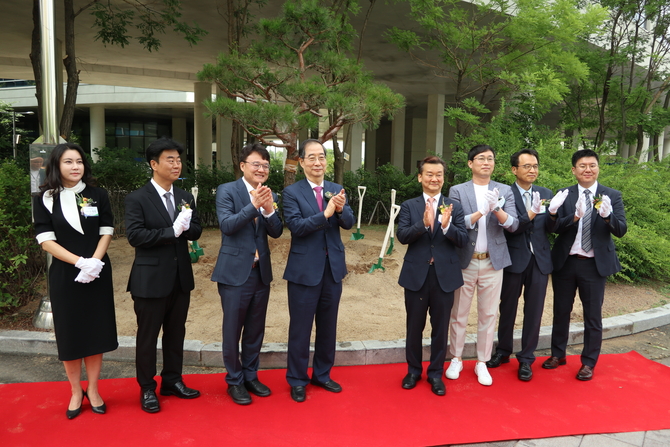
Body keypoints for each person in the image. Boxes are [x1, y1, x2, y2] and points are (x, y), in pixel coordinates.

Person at [32, 143, 117, 419]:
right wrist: (80, 262)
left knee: (96, 331)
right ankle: (75, 390)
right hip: (66, 274)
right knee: (70, 333)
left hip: (97, 271)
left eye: (79, 161)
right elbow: (45, 240)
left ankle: (93, 388)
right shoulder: (44, 198)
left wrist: (94, 262)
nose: (75, 166)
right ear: (56, 165)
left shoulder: (97, 195)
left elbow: (106, 230)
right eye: (68, 161)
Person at [125, 137, 203, 413]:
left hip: (180, 278)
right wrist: (172, 231)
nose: (176, 164)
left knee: (176, 333)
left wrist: (186, 226)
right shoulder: (137, 198)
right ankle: (147, 387)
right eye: (170, 160)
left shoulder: (185, 197)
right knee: (147, 336)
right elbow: (135, 236)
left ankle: (172, 380)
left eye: (179, 160)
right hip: (150, 280)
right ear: (154, 164)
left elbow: (196, 229)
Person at [542, 149, 627, 381]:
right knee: (561, 311)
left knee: (593, 316)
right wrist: (563, 215)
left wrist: (608, 217)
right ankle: (558, 354)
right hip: (566, 262)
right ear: (574, 170)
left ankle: (589, 362)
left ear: (598, 168)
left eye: (592, 165)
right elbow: (552, 228)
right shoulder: (564, 194)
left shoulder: (612, 195)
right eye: (582, 165)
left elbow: (621, 230)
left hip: (594, 265)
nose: (587, 169)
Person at [282, 139, 354, 403]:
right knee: (300, 329)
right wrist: (325, 214)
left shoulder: (336, 189)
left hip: (332, 269)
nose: (317, 162)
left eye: (321, 157)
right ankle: (297, 379)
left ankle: (322, 374)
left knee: (328, 327)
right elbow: (297, 227)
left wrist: (341, 209)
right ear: (302, 162)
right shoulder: (292, 192)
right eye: (311, 157)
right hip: (303, 270)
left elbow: (349, 223)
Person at [211, 143, 283, 405]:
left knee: (255, 329)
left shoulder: (270, 194)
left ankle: (251, 375)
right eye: (256, 164)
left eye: (265, 165)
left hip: (260, 273)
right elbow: (227, 225)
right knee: (232, 330)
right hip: (234, 274)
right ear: (243, 166)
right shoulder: (227, 190)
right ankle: (234, 380)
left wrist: (269, 209)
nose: (261, 169)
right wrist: (254, 206)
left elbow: (276, 231)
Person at [486, 149, 564, 381]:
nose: (532, 170)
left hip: (539, 260)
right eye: (527, 166)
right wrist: (530, 214)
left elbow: (552, 229)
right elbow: (507, 226)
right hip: (513, 258)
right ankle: (503, 351)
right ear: (514, 169)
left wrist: (552, 214)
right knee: (507, 307)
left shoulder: (545, 193)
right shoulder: (504, 194)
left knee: (534, 310)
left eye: (535, 166)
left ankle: (527, 358)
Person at [447, 144, 518, 386]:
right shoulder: (458, 190)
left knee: (488, 314)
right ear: (470, 163)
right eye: (480, 158)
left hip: (492, 261)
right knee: (459, 313)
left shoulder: (504, 190)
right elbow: (456, 222)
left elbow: (513, 224)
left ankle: (482, 361)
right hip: (465, 261)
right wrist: (481, 211)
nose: (486, 162)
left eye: (490, 158)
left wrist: (496, 209)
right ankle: (456, 358)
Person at [397, 156, 468, 396]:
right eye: (429, 174)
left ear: (444, 178)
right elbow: (402, 236)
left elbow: (463, 240)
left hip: (444, 276)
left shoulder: (454, 206)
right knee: (414, 327)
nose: (434, 178)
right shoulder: (409, 206)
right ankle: (413, 371)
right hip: (416, 275)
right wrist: (423, 224)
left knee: (440, 328)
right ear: (420, 177)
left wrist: (446, 227)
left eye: (439, 174)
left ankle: (436, 373)